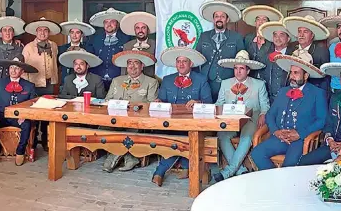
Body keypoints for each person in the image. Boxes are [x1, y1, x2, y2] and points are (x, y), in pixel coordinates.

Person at [250, 54, 327, 170]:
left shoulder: (317, 93)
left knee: (289, 166)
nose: (292, 76)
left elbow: (322, 120)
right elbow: (270, 114)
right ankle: (276, 183)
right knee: (256, 153)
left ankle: (282, 185)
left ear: (306, 75)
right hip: (279, 137)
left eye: (296, 73)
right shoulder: (283, 91)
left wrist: (300, 134)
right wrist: (276, 131)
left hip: (300, 140)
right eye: (291, 72)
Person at [151, 47, 212, 187]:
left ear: (190, 64)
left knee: (181, 138)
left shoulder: (201, 79)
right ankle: (186, 164)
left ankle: (160, 171)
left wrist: (198, 102)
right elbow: (162, 101)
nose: (181, 64)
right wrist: (158, 102)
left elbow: (209, 103)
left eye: (185, 61)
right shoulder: (167, 80)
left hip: (193, 123)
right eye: (179, 61)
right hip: (170, 123)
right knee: (170, 136)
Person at [213, 50, 270, 181]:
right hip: (230, 120)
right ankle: (240, 171)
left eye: (242, 69)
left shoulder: (259, 84)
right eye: (236, 68)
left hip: (251, 119)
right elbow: (219, 103)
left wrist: (263, 114)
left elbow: (265, 106)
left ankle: (228, 172)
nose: (238, 72)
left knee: (247, 137)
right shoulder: (226, 83)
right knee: (222, 135)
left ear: (248, 71)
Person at [101, 50, 159, 172]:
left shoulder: (151, 82)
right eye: (129, 63)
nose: (132, 66)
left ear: (142, 66)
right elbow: (107, 100)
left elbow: (151, 105)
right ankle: (130, 157)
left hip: (137, 121)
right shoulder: (117, 81)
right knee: (103, 129)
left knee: (130, 130)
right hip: (115, 120)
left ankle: (113, 157)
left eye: (136, 63)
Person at [0, 54, 38, 166]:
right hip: (2, 116)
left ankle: (20, 152)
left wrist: (25, 115)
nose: (13, 70)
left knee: (27, 124)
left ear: (22, 71)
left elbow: (33, 105)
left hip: (19, 117)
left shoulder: (29, 86)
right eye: (11, 67)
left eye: (17, 68)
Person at [22, 17, 62, 151]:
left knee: (47, 113)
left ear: (49, 32)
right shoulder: (28, 47)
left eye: (45, 30)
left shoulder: (53, 45)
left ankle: (46, 140)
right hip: (33, 84)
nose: (43, 33)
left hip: (49, 84)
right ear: (36, 32)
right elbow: (23, 67)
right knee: (34, 115)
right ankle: (32, 141)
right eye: (40, 30)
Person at [195, 1, 246, 99]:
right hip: (207, 81)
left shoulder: (236, 37)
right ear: (213, 19)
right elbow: (196, 58)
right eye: (217, 16)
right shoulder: (204, 36)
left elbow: (242, 60)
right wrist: (198, 79)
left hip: (229, 80)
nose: (219, 19)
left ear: (227, 19)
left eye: (222, 16)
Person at [87, 8, 131, 89]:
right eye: (106, 22)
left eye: (112, 21)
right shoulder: (94, 38)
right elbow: (90, 57)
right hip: (98, 80)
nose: (109, 24)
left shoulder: (126, 38)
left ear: (117, 24)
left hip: (118, 80)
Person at [283, 15, 330, 91]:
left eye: (305, 32)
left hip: (313, 91)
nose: (301, 35)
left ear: (312, 35)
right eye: (299, 31)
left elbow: (325, 78)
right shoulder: (291, 48)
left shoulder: (321, 51)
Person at [255, 21, 295, 102]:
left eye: (281, 35)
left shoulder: (294, 56)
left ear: (288, 38)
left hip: (289, 99)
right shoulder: (265, 56)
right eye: (275, 35)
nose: (278, 38)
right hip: (269, 100)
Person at [0, 16, 26, 91]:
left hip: (12, 86)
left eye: (10, 30)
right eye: (4, 30)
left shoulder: (20, 47)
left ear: (13, 33)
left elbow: (22, 69)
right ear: (1, 33)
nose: (7, 33)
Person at [121, 12, 157, 77]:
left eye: (143, 28)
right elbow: (124, 68)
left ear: (147, 30)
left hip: (151, 80)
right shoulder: (127, 46)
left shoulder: (155, 45)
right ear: (134, 30)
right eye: (137, 28)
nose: (140, 30)